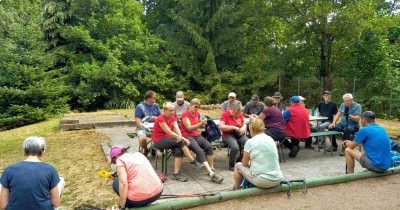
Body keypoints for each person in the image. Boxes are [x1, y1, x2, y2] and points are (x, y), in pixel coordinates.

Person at [0, 136, 64, 210]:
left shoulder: (9, 170)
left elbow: (2, 206)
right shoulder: (50, 170)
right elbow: (56, 202)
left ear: (24, 151)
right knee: (61, 180)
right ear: (42, 152)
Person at [152, 102, 200, 182]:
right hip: (159, 141)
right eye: (170, 110)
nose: (172, 112)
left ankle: (176, 174)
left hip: (169, 139)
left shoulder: (172, 117)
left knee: (179, 149)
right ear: (165, 110)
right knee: (180, 142)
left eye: (173, 110)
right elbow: (169, 132)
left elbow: (177, 128)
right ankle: (192, 160)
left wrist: (180, 136)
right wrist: (183, 139)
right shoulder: (160, 118)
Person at [180, 98, 224, 183]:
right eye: (195, 107)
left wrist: (204, 124)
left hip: (196, 135)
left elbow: (199, 125)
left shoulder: (197, 114)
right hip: (187, 136)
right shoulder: (185, 114)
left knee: (209, 147)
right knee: (199, 151)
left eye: (198, 107)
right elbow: (189, 128)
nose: (197, 109)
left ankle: (211, 167)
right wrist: (200, 124)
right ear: (190, 106)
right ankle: (211, 173)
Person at [233, 118, 282, 190]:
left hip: (263, 181)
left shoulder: (250, 142)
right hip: (278, 178)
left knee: (238, 166)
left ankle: (237, 189)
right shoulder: (271, 139)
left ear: (251, 130)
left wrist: (251, 163)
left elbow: (244, 163)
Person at [219, 102, 248, 171]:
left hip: (239, 134)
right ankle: (232, 165)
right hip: (228, 134)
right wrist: (233, 127)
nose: (237, 115)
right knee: (235, 147)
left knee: (249, 144)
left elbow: (244, 123)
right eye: (235, 113)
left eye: (238, 113)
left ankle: (240, 160)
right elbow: (221, 126)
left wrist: (243, 128)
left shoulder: (239, 114)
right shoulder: (225, 114)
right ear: (232, 109)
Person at [134, 90, 162, 157]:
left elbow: (161, 118)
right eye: (154, 98)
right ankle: (146, 149)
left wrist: (156, 118)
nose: (155, 100)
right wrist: (145, 127)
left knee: (164, 136)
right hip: (143, 127)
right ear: (148, 98)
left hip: (155, 128)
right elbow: (138, 121)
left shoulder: (156, 106)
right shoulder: (140, 107)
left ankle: (152, 148)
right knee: (143, 139)